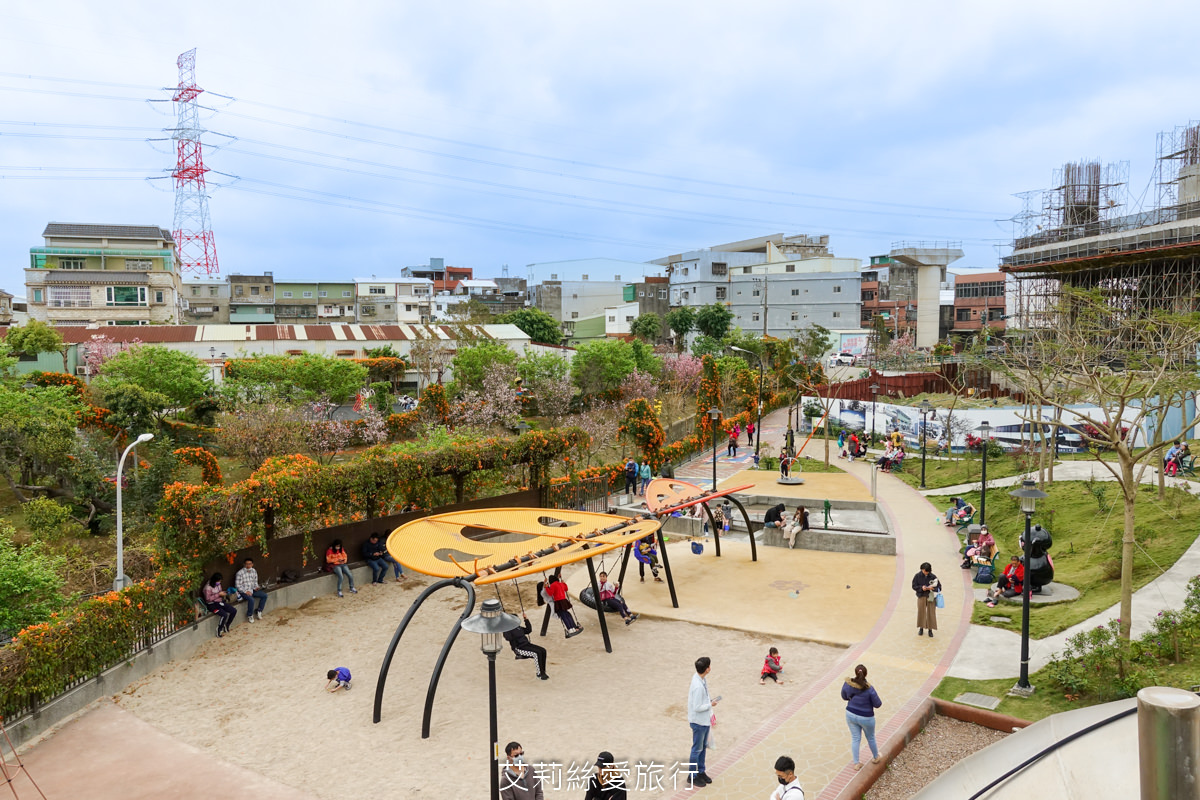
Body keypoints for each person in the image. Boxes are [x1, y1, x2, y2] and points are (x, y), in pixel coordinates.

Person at [841, 664, 883, 770]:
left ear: (856, 673)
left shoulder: (848, 684)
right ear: (866, 674)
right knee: (871, 737)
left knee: (855, 738)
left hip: (850, 714)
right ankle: (876, 757)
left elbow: (844, 696)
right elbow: (878, 704)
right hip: (866, 717)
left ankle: (856, 763)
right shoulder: (869, 689)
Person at [688, 657, 718, 787]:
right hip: (698, 722)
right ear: (707, 669)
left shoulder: (701, 679)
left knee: (702, 748)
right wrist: (710, 704)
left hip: (704, 721)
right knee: (697, 749)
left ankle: (701, 771)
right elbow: (697, 707)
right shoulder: (698, 686)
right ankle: (692, 776)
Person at [503, 612, 549, 680]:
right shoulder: (508, 629)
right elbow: (508, 638)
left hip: (527, 645)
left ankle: (543, 671)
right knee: (536, 653)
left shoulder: (518, 628)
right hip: (519, 648)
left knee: (543, 650)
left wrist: (526, 619)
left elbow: (528, 630)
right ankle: (540, 674)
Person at [201, 572, 236, 637]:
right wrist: (218, 594)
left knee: (233, 611)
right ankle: (219, 629)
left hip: (219, 602)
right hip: (212, 604)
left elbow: (220, 592)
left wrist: (224, 593)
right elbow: (208, 599)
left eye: (220, 581)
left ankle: (227, 625)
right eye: (218, 581)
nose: (219, 582)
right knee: (224, 615)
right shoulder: (207, 588)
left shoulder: (218, 585)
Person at [234, 557, 268, 623]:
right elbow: (237, 586)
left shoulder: (254, 571)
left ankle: (259, 610)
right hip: (243, 591)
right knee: (251, 599)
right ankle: (250, 615)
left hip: (252, 589)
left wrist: (256, 587)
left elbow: (255, 581)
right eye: (247, 564)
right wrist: (246, 591)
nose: (248, 565)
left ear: (252, 564)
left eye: (250, 564)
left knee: (264, 595)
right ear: (244, 564)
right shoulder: (240, 573)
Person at [913, 562, 939, 637]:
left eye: (926, 571)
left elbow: (939, 587)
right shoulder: (917, 576)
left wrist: (932, 588)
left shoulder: (933, 577)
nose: (925, 572)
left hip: (930, 597)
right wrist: (921, 588)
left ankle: (930, 629)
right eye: (924, 570)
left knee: (931, 613)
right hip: (921, 596)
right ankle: (921, 628)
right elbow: (914, 586)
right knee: (921, 612)